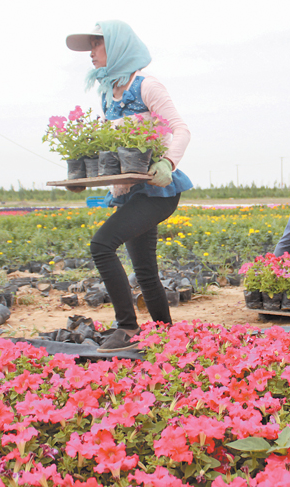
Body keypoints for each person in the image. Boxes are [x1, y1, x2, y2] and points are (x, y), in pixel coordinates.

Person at [65, 20, 192, 352]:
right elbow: (114, 151)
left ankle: (127, 327)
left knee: (101, 245)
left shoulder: (147, 86)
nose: (91, 53)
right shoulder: (108, 93)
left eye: (96, 45)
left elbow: (181, 129)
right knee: (145, 269)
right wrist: (84, 179)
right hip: (128, 193)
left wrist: (168, 162)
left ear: (117, 46)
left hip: (157, 190)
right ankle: (165, 333)